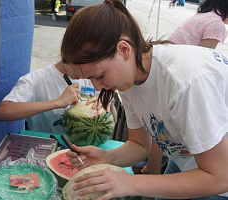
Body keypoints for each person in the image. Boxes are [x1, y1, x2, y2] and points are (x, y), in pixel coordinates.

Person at [59, 0, 228, 199]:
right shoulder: (130, 79)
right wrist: (107, 157)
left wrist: (132, 183)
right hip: (186, 162)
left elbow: (219, 177)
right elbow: (140, 145)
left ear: (124, 50)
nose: (97, 87)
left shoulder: (184, 81)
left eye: (100, 75)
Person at [144, 0, 228, 176]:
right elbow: (203, 61)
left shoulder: (202, 16)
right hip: (175, 76)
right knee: (162, 132)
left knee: (159, 132)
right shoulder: (216, 24)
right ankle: (153, 174)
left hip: (161, 70)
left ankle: (152, 173)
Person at [0, 61, 102, 133]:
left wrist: (106, 106)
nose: (84, 74)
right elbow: (2, 112)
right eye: (81, 63)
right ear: (67, 53)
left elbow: (112, 121)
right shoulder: (36, 78)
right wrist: (58, 102)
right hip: (42, 148)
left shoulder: (91, 79)